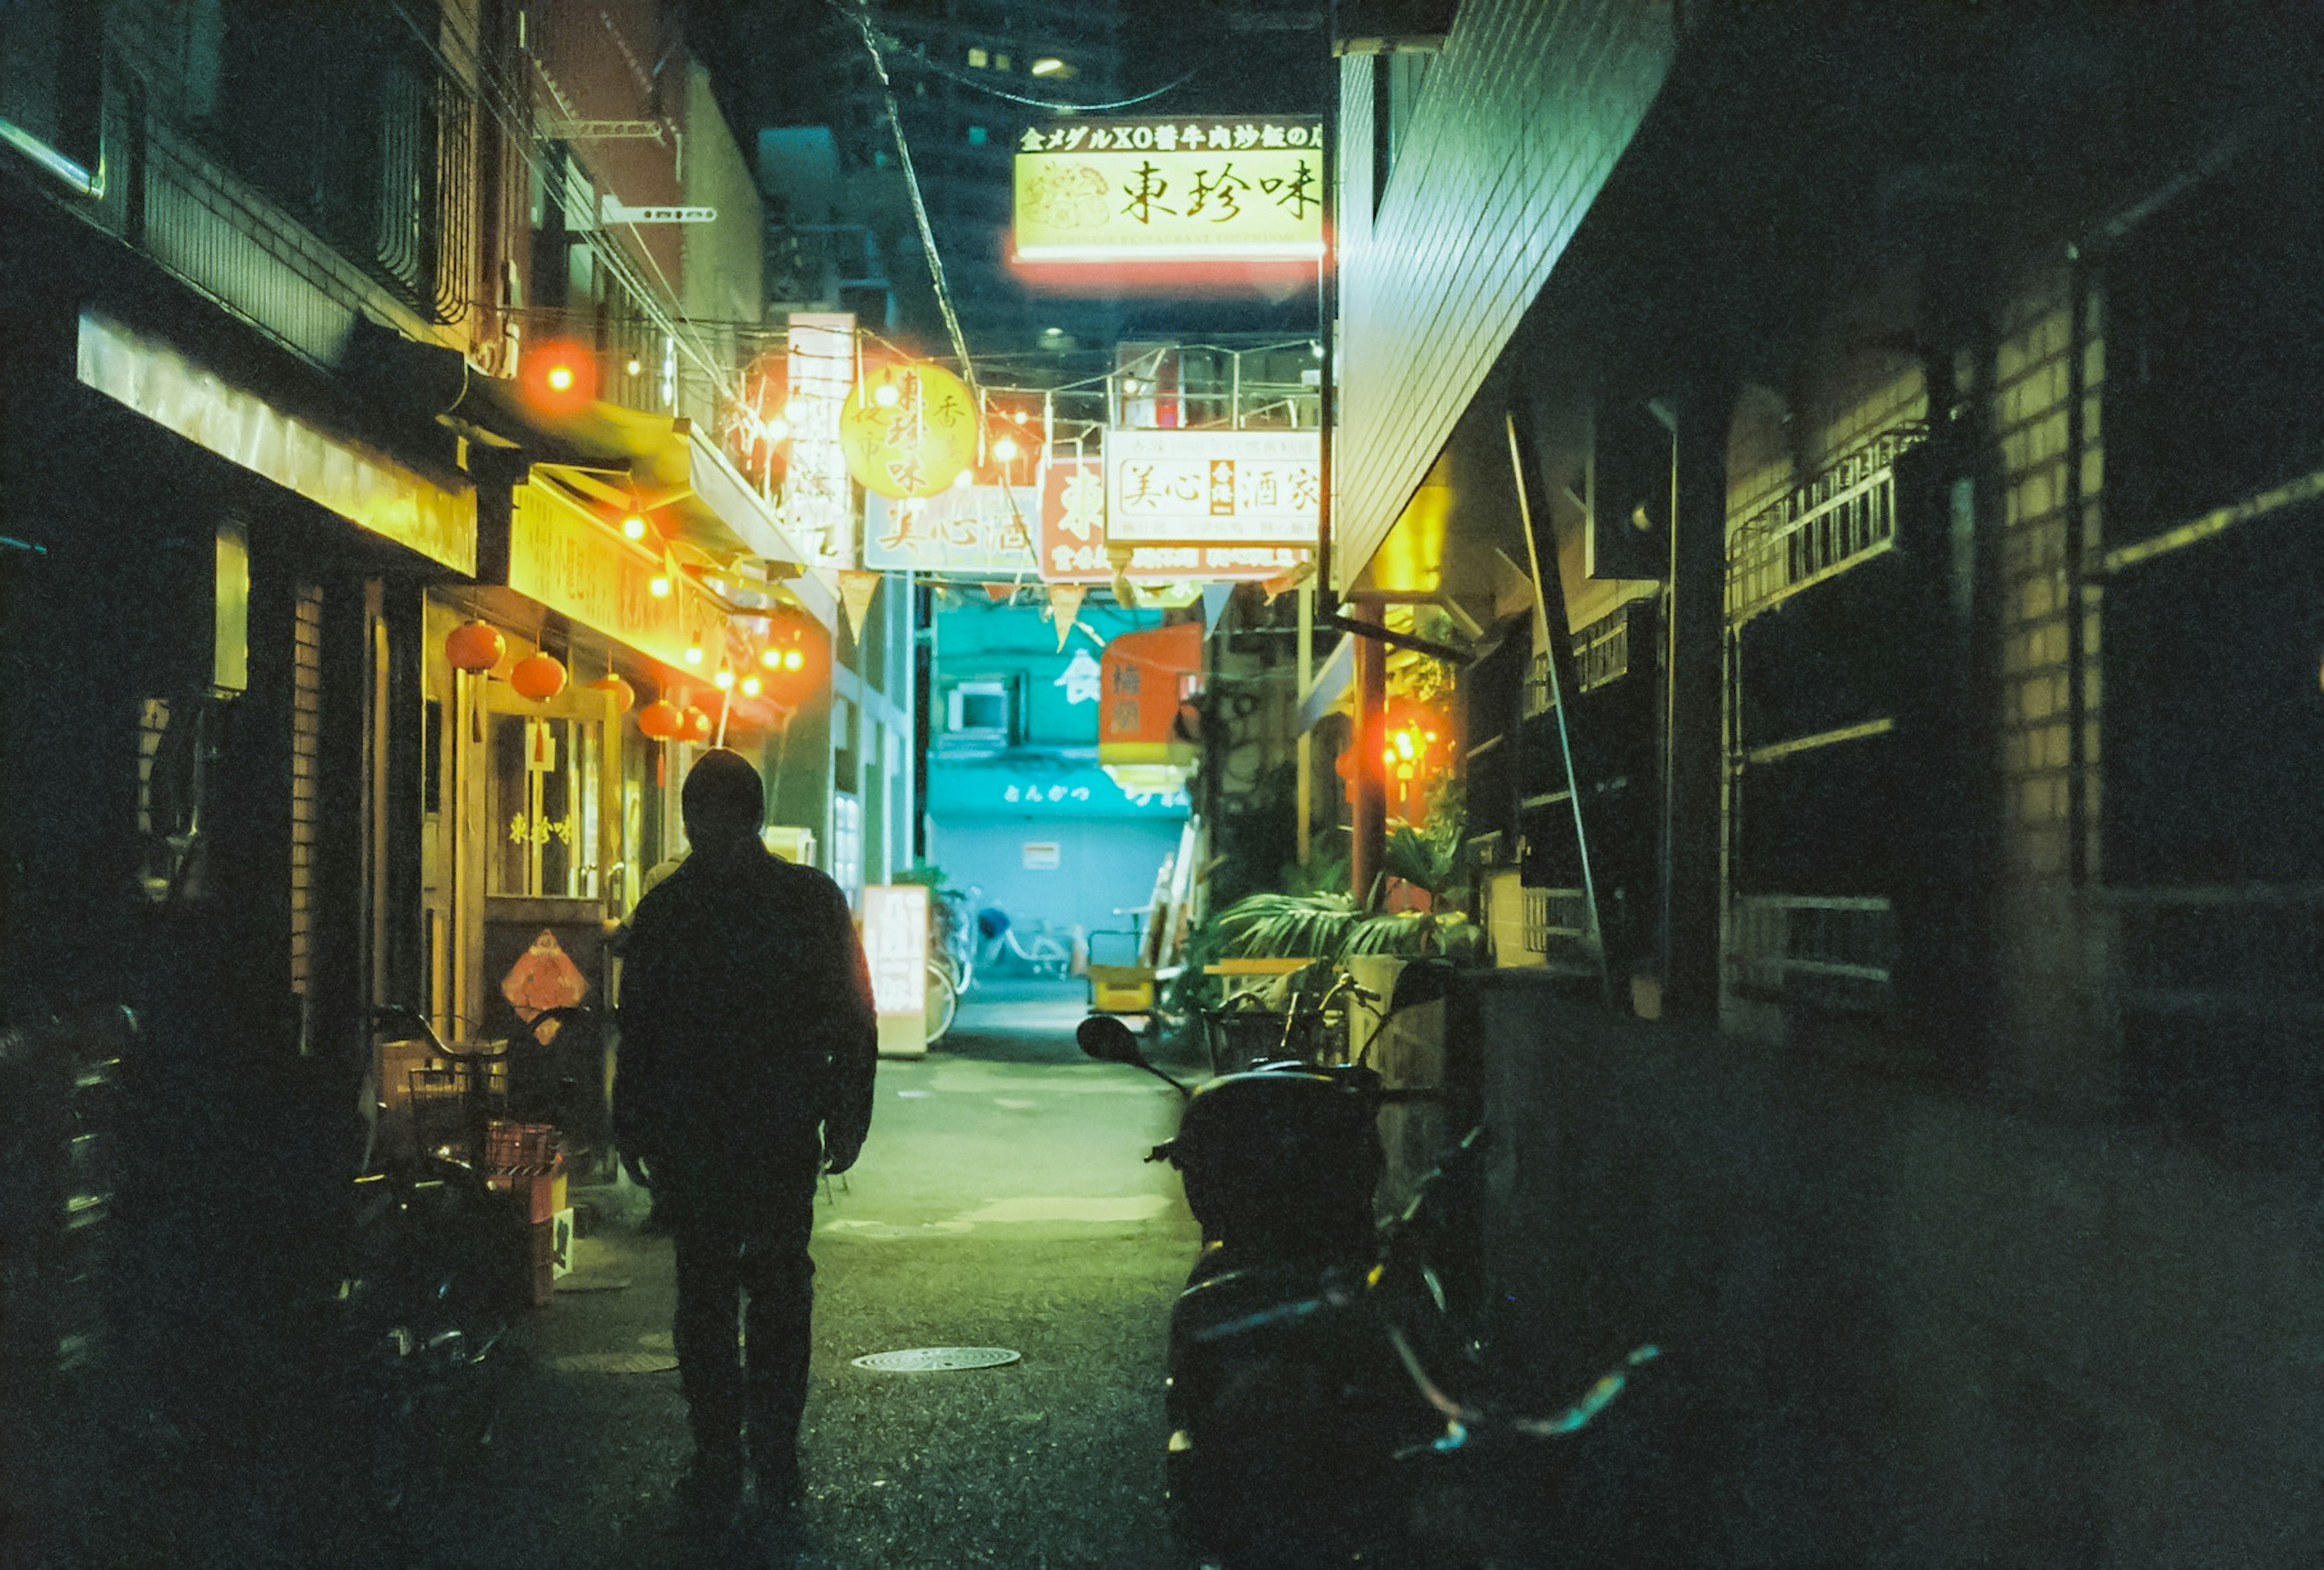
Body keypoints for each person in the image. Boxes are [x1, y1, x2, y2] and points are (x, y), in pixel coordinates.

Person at [614, 749, 877, 1518]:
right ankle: (767, 1452)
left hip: (701, 1128)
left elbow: (643, 1031)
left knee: (711, 1292)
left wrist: (633, 1118)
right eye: (699, 814)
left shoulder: (668, 908)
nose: (704, 827)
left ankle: (724, 1454)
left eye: (709, 813)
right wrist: (849, 1106)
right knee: (775, 1287)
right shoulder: (807, 899)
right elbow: (852, 1011)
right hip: (777, 1120)